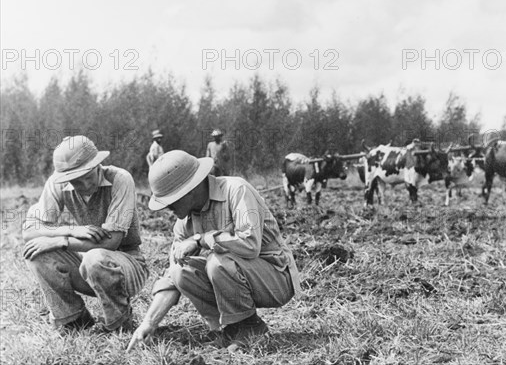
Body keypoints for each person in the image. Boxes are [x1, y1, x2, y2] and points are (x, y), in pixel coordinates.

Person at [127, 150, 300, 352]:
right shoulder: (184, 222)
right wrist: (149, 323)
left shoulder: (236, 190)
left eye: (171, 201)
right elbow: (172, 276)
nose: (168, 208)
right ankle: (230, 328)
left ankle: (251, 327)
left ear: (190, 190)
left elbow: (250, 245)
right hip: (237, 276)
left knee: (217, 260)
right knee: (180, 270)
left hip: (276, 280)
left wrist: (202, 239)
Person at [22, 135, 149, 332]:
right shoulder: (58, 182)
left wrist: (61, 242)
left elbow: (111, 242)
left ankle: (120, 323)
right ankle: (74, 319)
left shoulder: (120, 179)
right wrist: (70, 230)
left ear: (98, 164)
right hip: (87, 267)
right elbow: (29, 231)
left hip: (126, 266)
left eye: (88, 177)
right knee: (36, 252)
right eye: (76, 181)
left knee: (95, 257)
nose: (85, 186)